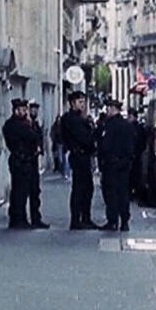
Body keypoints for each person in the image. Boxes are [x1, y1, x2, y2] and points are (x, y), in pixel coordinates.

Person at [1, 99, 47, 229]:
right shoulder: (14, 125)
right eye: (22, 110)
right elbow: (32, 136)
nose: (25, 112)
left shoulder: (26, 124)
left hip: (29, 160)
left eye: (25, 110)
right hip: (20, 161)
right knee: (19, 192)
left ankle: (33, 218)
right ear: (16, 111)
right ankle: (18, 219)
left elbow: (37, 137)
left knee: (33, 190)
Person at [62, 90, 102, 229]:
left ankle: (85, 218)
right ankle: (77, 220)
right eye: (80, 102)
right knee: (80, 189)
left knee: (87, 188)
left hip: (83, 156)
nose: (83, 105)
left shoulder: (80, 119)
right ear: (73, 103)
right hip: (79, 156)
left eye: (84, 102)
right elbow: (85, 139)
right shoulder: (72, 120)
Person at [96, 98, 135, 231]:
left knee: (111, 193)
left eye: (108, 108)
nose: (106, 111)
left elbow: (104, 145)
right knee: (123, 193)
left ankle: (112, 221)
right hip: (124, 165)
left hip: (111, 164)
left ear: (113, 109)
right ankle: (125, 221)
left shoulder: (109, 125)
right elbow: (132, 146)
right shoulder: (127, 125)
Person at [127, 108, 147, 199]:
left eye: (130, 116)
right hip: (135, 155)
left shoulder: (136, 128)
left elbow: (142, 141)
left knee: (134, 175)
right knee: (133, 175)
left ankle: (133, 191)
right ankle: (133, 191)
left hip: (135, 155)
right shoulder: (138, 128)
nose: (128, 118)